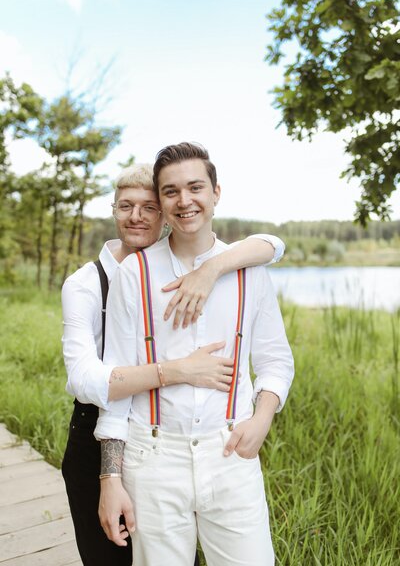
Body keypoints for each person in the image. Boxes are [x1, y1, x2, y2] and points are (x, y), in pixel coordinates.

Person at [61, 163, 286, 566]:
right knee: (108, 557)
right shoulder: (93, 282)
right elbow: (86, 379)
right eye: (126, 206)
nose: (137, 216)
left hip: (218, 453)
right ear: (112, 210)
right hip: (116, 436)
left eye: (149, 206)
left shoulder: (234, 268)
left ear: (165, 214)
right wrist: (176, 370)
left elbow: (271, 247)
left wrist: (213, 266)